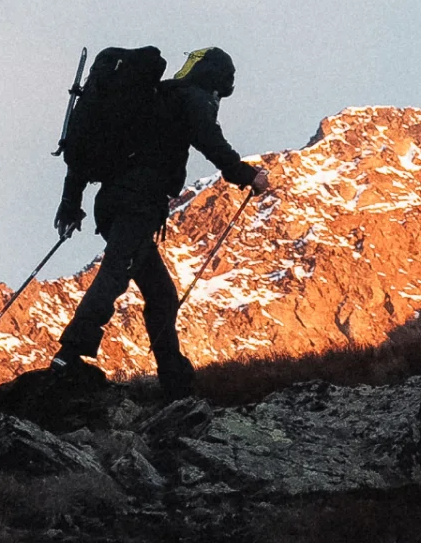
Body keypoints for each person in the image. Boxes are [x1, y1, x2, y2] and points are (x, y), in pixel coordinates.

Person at [52, 45, 269, 397]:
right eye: (220, 91)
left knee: (161, 294)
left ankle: (175, 379)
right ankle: (69, 353)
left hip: (112, 201)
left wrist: (70, 202)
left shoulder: (156, 96)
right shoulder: (192, 97)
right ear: (215, 79)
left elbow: (93, 146)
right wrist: (246, 174)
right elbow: (209, 140)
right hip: (138, 202)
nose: (217, 98)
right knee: (117, 271)